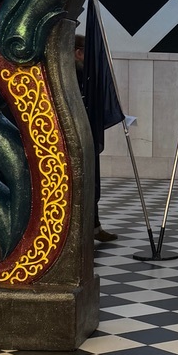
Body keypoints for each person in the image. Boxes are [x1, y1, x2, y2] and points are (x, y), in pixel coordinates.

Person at [75, 34, 118, 244]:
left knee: (91, 183)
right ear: (78, 52)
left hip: (86, 135)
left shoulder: (84, 75)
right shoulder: (73, 75)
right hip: (76, 138)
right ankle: (83, 231)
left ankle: (94, 227)